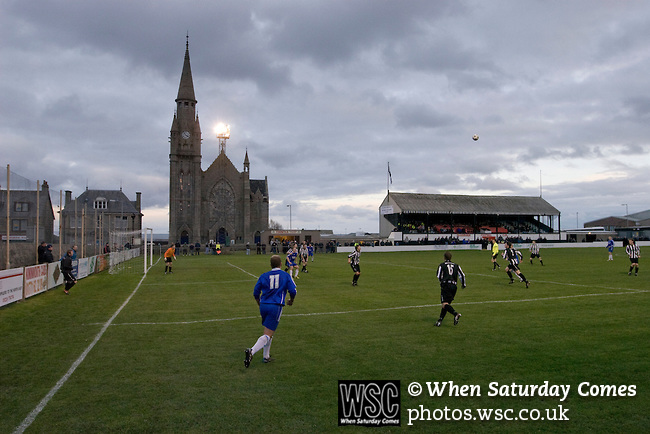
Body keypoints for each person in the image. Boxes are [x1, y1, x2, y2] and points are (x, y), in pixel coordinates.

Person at [244, 255, 297, 367]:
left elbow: (255, 292)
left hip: (264, 305)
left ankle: (266, 356)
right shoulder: (285, 275)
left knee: (268, 330)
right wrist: (291, 300)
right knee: (268, 334)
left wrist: (259, 303)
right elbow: (293, 290)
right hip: (275, 306)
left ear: (270, 265)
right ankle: (251, 351)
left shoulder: (264, 275)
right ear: (281, 264)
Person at [435, 251, 467, 327]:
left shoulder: (442, 265)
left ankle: (455, 314)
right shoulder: (456, 265)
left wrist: (441, 283)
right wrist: (463, 284)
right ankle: (440, 320)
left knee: (445, 304)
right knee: (446, 304)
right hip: (454, 286)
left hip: (446, 285)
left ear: (444, 258)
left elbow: (438, 275)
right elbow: (462, 275)